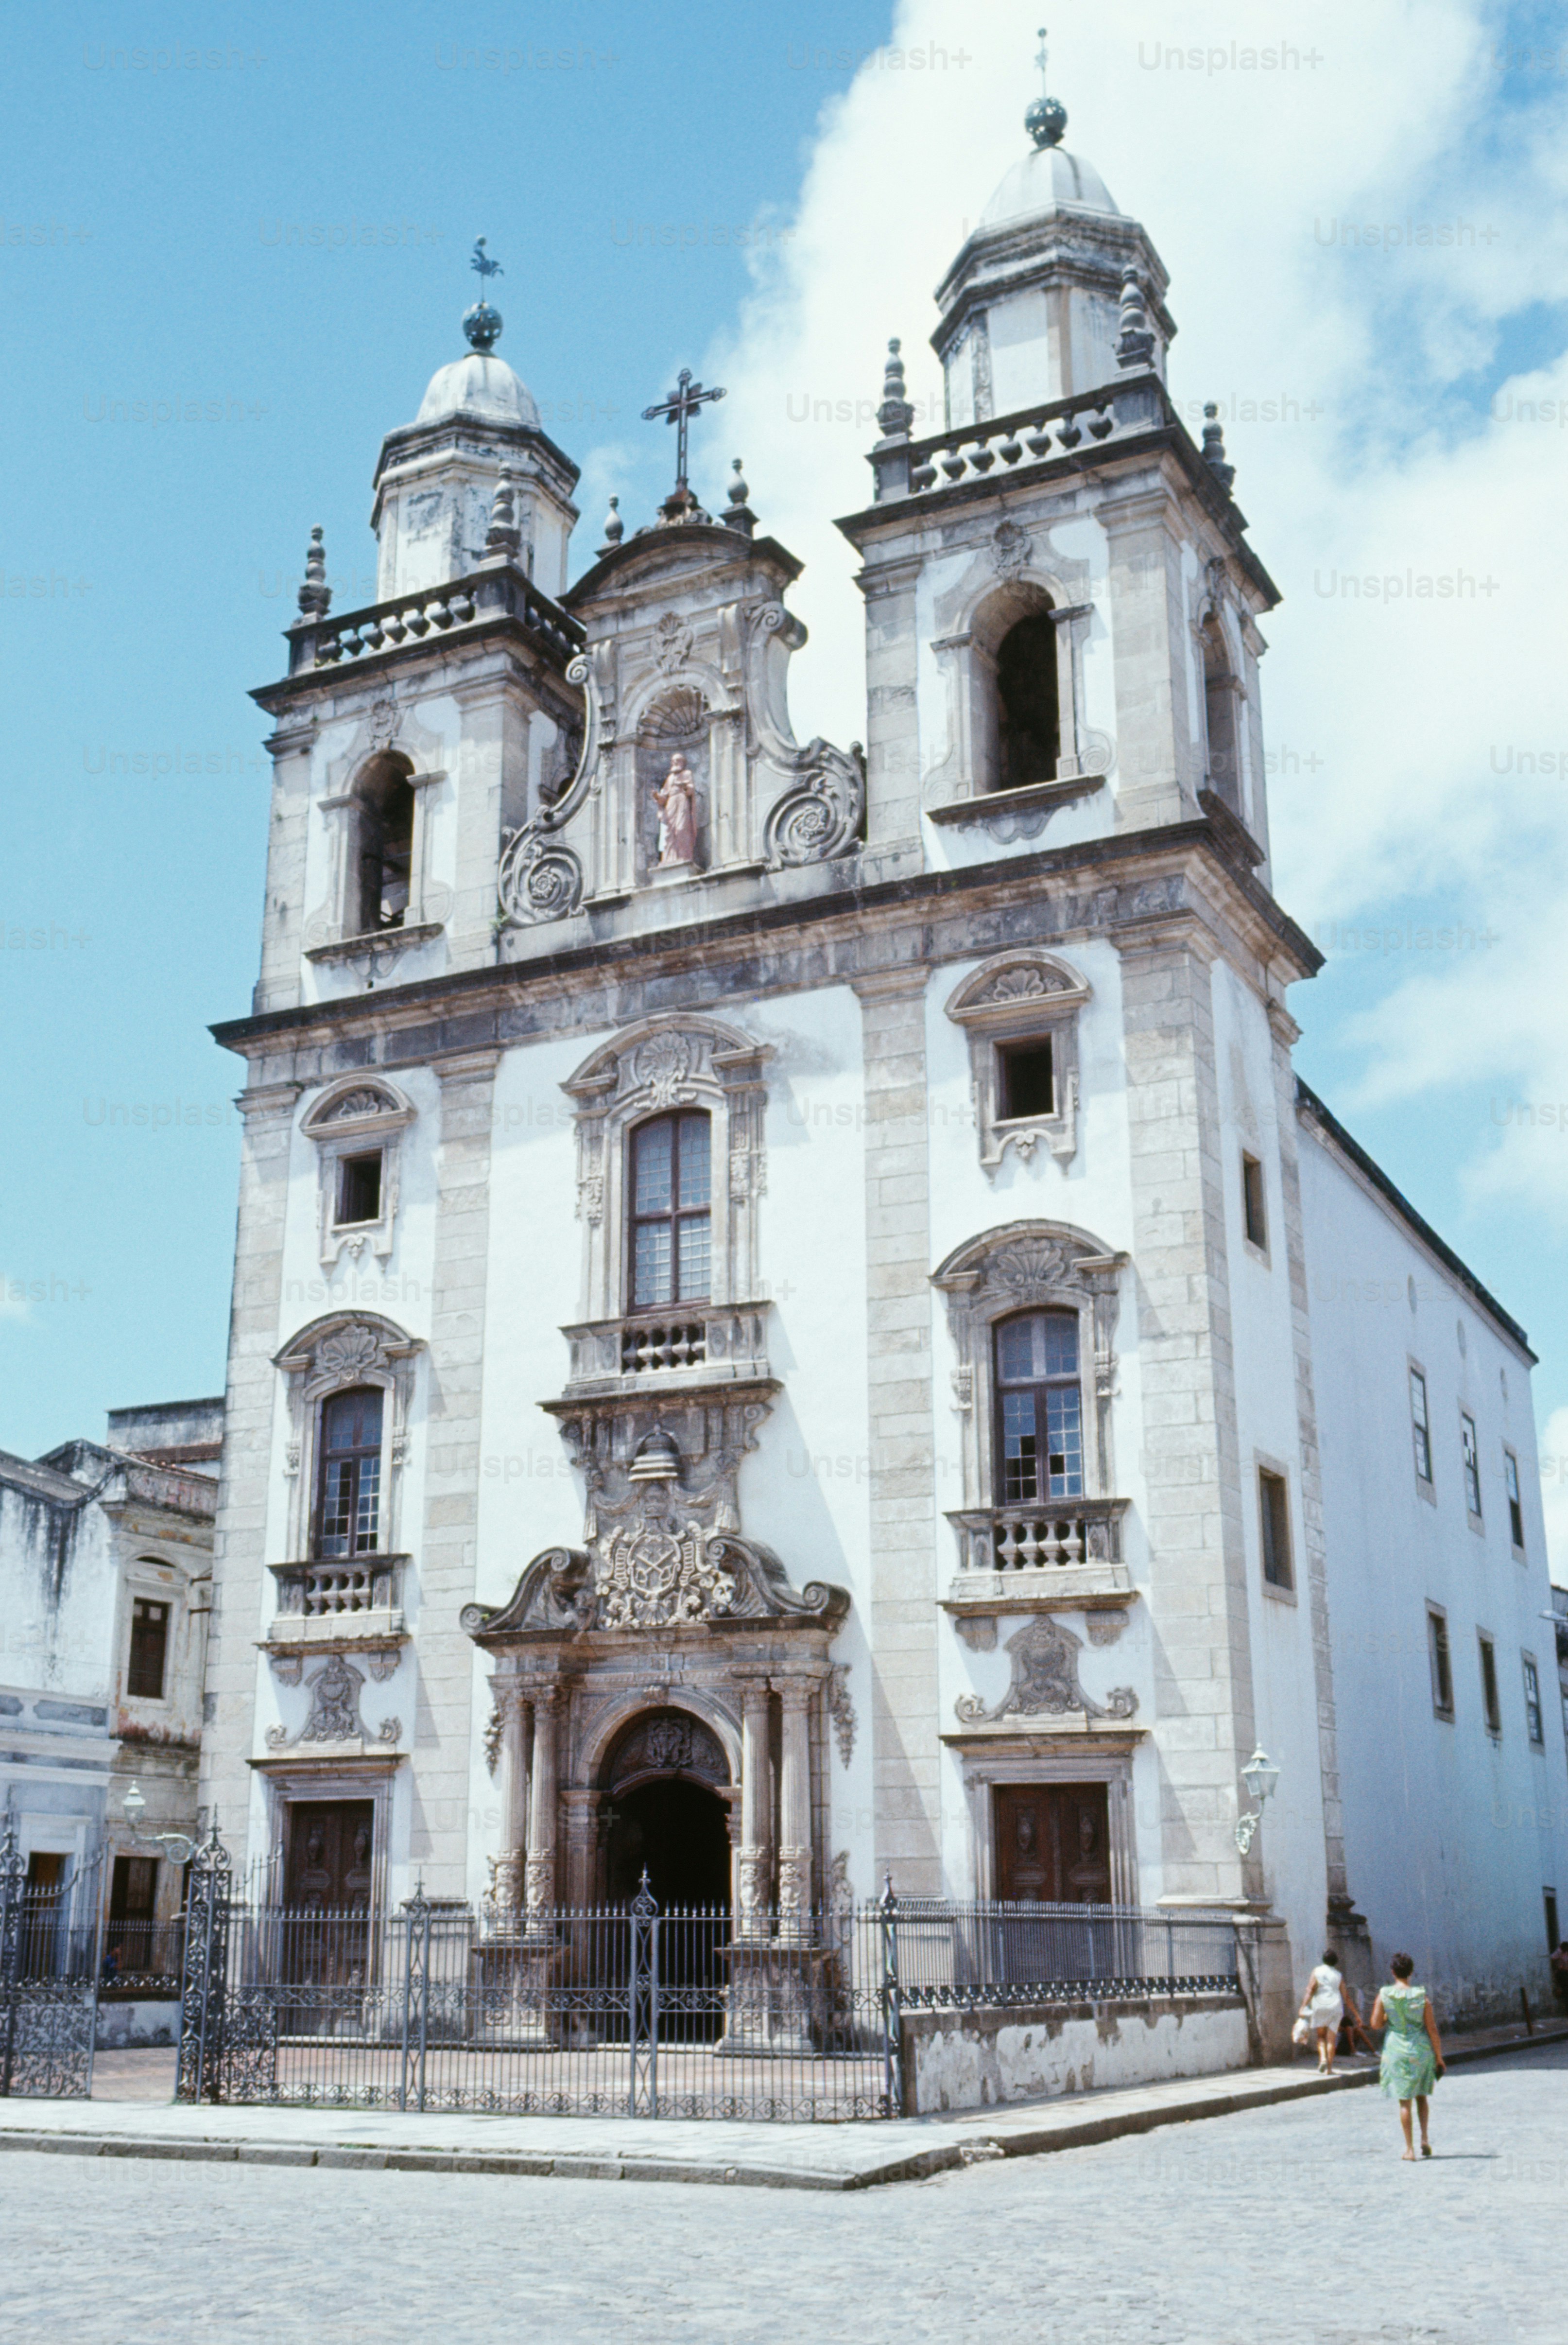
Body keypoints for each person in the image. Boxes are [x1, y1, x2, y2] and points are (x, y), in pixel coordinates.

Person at [1370, 1951, 1445, 2160]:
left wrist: (1387, 2016)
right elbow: (1433, 2031)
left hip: (1397, 2049)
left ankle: (1409, 2149)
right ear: (1411, 1972)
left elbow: (1375, 2024)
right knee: (1422, 2096)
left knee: (1405, 2102)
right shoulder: (1422, 1997)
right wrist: (1439, 2057)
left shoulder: (1384, 1995)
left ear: (1393, 1972)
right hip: (1420, 2050)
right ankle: (1425, 2139)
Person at [1297, 1947, 1347, 2075]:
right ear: (1336, 1961)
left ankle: (1323, 2058)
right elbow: (1346, 1996)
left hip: (1320, 2005)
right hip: (1335, 2006)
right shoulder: (1338, 1975)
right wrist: (1357, 2014)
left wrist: (1303, 2006)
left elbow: (1310, 1990)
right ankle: (1329, 2069)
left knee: (1321, 2037)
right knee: (1331, 2039)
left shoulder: (1317, 1971)